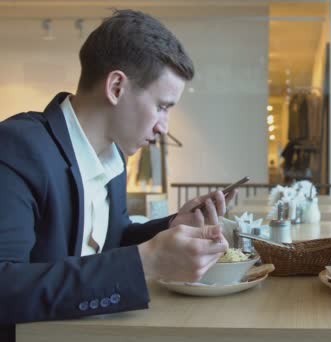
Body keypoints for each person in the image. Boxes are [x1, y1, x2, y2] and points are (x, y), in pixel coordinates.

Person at [0, 9, 233, 340]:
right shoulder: (18, 147)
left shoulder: (114, 160)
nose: (163, 127)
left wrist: (172, 226)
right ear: (117, 86)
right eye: (162, 106)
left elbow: (114, 240)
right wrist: (146, 262)